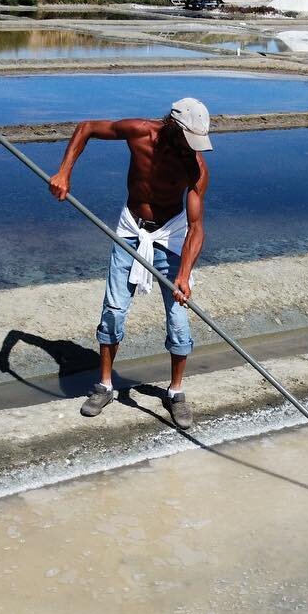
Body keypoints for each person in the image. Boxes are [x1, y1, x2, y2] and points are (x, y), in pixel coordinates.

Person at [47, 98, 212, 429]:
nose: (192, 149)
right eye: (189, 139)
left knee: (179, 320)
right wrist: (64, 172)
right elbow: (87, 127)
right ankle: (105, 386)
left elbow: (196, 229)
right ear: (173, 127)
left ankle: (176, 393)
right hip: (130, 229)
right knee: (113, 311)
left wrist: (184, 275)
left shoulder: (195, 168)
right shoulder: (140, 132)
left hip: (171, 235)